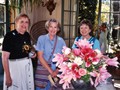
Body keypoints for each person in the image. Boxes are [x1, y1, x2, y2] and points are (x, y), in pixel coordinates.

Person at [2, 13, 36, 90]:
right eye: (22, 21)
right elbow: (4, 58)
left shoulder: (27, 35)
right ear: (16, 22)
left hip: (27, 67)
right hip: (15, 69)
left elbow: (26, 50)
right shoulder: (9, 36)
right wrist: (8, 76)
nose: (24, 24)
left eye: (26, 22)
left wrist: (32, 54)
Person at [35, 18, 66, 90]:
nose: (53, 29)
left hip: (56, 73)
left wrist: (56, 71)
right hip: (43, 71)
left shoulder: (61, 41)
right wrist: (51, 71)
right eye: (51, 27)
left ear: (58, 29)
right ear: (47, 28)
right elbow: (40, 57)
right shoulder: (41, 39)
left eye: (55, 27)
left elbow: (65, 57)